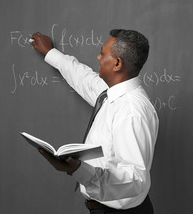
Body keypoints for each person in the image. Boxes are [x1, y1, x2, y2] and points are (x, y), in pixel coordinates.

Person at [31, 29, 159, 214]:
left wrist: (78, 169)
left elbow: (135, 180)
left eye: (102, 53)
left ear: (117, 63)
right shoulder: (112, 94)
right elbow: (85, 79)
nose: (98, 58)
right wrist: (51, 53)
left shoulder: (130, 111)